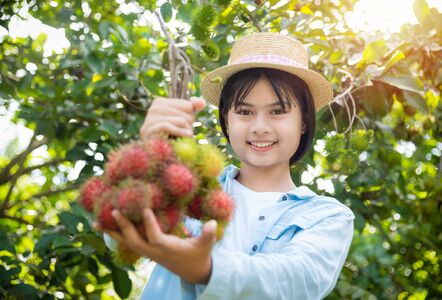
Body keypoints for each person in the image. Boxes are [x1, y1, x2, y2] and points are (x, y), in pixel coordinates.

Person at [97, 32, 355, 299]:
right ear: (226, 119)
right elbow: (121, 240)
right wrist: (147, 159)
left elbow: (293, 281)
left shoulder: (329, 217)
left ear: (303, 121)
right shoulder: (189, 188)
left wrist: (206, 269)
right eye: (245, 112)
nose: (259, 127)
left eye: (278, 111)